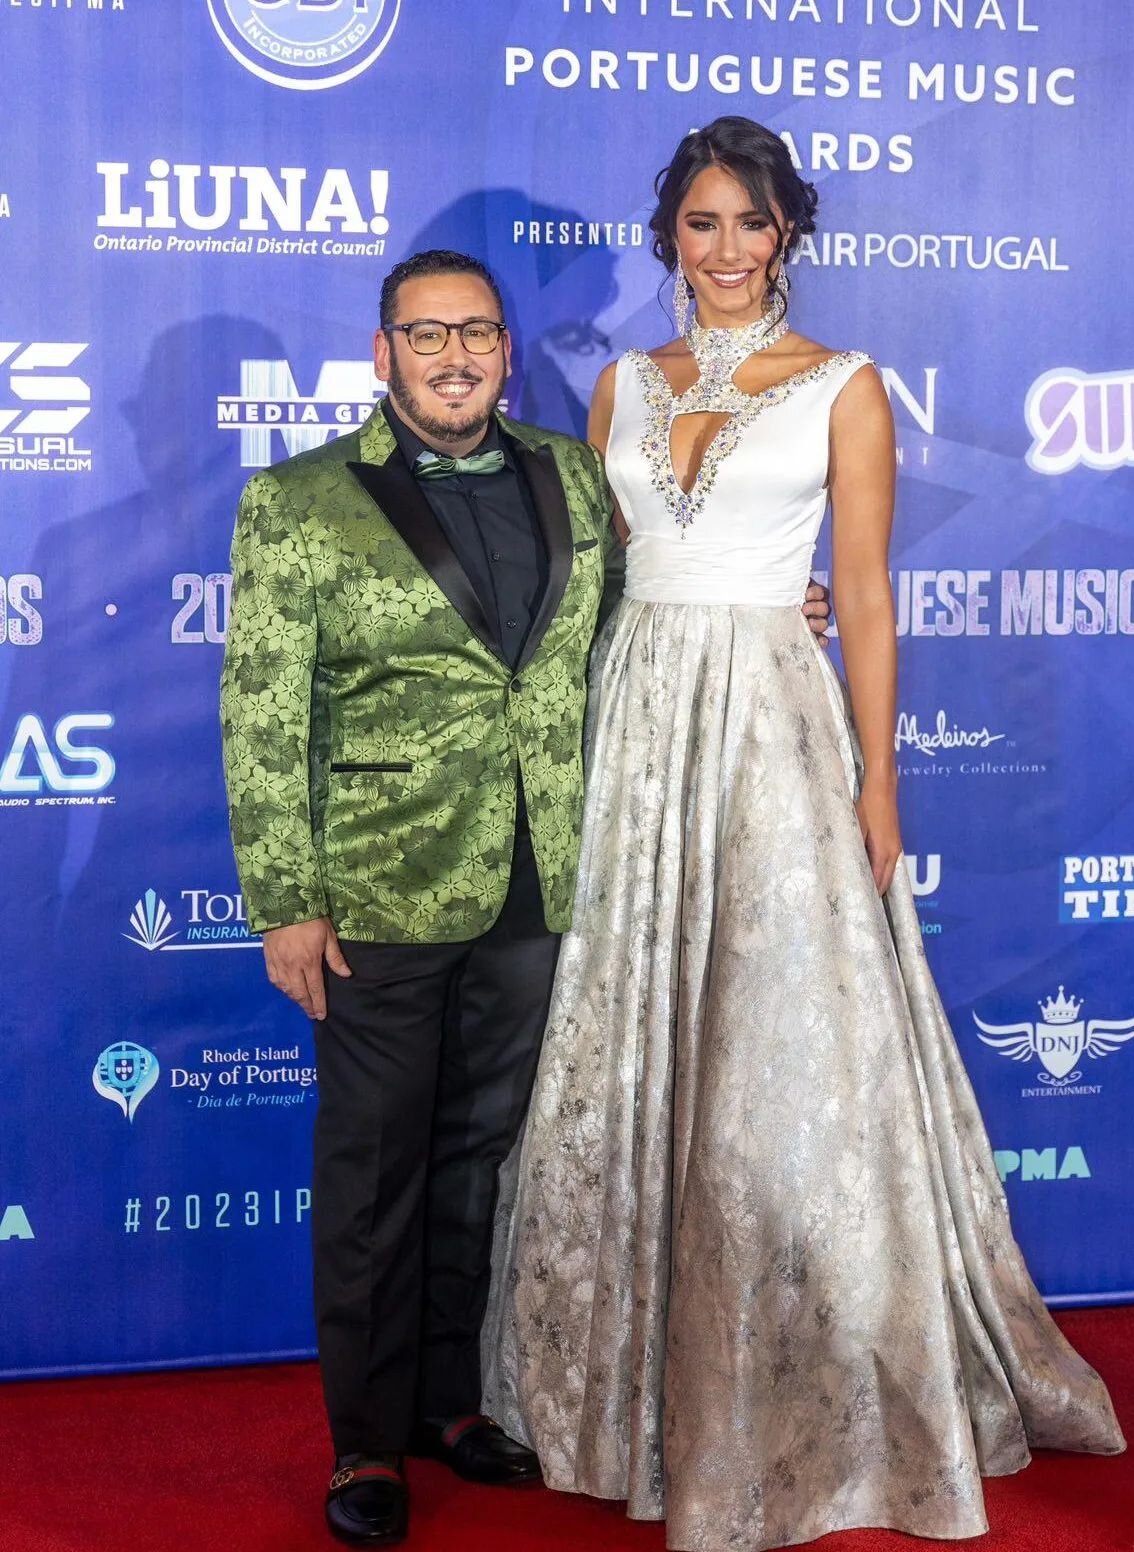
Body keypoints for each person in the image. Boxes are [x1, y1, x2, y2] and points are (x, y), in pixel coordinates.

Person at [484, 117, 1126, 1550]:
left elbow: (867, 596)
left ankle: (803, 1373)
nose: (724, 251)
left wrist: (878, 783)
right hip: (637, 724)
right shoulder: (618, 391)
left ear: (787, 235)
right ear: (671, 237)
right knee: (632, 1032)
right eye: (700, 224)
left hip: (774, 728)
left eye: (749, 224)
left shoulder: (844, 386)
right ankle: (621, 1381)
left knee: (775, 1044)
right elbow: (599, 583)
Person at [219, 248, 833, 1547]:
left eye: (478, 335)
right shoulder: (299, 500)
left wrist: (775, 605)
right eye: (426, 336)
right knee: (375, 1169)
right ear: (382, 353)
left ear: (505, 351)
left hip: (548, 879)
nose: (454, 358)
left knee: (485, 1161)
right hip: (377, 888)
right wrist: (285, 895)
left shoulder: (568, 470)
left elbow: (638, 621)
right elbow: (262, 712)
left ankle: (454, 1400)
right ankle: (365, 1443)